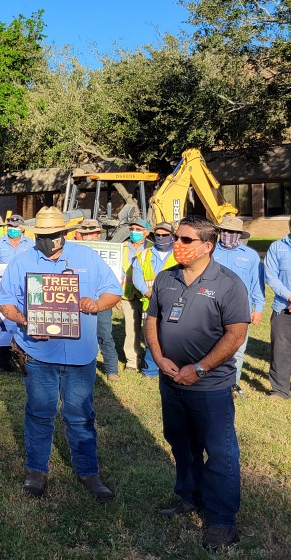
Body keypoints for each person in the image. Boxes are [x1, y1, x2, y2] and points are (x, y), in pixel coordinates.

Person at [0, 206, 121, 500]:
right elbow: (4, 302)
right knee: (39, 414)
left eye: (55, 235)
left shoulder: (87, 257)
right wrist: (26, 321)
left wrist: (97, 304)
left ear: (65, 233)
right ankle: (37, 471)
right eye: (43, 236)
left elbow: (113, 291)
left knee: (80, 416)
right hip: (39, 354)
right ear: (36, 235)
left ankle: (89, 473)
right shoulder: (21, 261)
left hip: (80, 356)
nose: (49, 240)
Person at [145, 216, 249, 551]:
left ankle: (222, 521)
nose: (177, 244)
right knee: (181, 444)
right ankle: (189, 498)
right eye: (177, 238)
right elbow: (152, 320)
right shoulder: (166, 278)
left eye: (186, 240)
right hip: (171, 381)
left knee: (220, 452)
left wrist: (200, 369)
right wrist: (159, 358)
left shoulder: (229, 283)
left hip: (210, 386)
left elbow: (236, 334)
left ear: (207, 245)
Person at [211, 216, 264, 397]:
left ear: (239, 234)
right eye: (225, 231)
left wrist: (259, 308)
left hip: (240, 310)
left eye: (233, 232)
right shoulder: (209, 252)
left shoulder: (250, 255)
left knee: (237, 348)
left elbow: (257, 283)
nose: (228, 235)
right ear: (219, 232)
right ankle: (211, 382)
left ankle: (232, 383)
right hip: (211, 308)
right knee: (211, 346)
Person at [74, 219, 119, 380]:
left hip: (101, 301)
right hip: (78, 302)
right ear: (77, 235)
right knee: (80, 336)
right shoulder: (71, 252)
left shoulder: (111, 251)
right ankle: (83, 367)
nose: (89, 237)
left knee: (104, 334)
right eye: (84, 233)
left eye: (92, 233)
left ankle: (112, 369)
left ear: (99, 234)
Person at [132, 221, 177, 377]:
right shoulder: (143, 255)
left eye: (165, 235)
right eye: (157, 235)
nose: (160, 238)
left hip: (176, 303)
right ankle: (150, 370)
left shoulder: (180, 254)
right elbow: (138, 280)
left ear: (172, 236)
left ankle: (173, 368)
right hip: (150, 303)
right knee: (152, 338)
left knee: (174, 337)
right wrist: (149, 293)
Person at [264, 221, 291, 400]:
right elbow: (270, 275)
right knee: (280, 350)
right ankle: (280, 390)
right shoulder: (277, 247)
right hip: (283, 307)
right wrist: (289, 296)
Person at [119, 219, 150, 375]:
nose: (134, 232)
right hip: (128, 294)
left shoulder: (153, 248)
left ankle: (151, 360)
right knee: (131, 329)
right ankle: (132, 360)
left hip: (148, 296)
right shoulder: (122, 248)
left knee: (151, 329)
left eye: (138, 229)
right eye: (132, 229)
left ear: (147, 232)